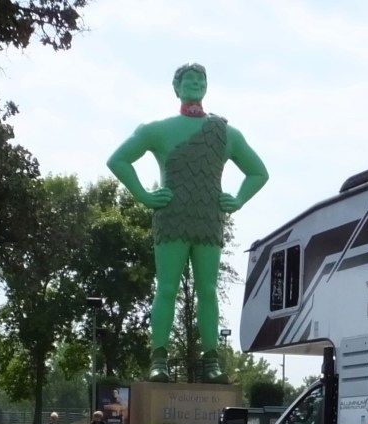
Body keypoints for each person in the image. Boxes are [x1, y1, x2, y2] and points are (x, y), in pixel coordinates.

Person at [107, 62, 269, 383]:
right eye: (188, 79)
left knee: (208, 290)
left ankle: (212, 362)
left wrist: (238, 199)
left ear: (206, 86)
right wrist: (144, 195)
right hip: (171, 217)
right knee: (166, 287)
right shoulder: (156, 130)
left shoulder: (226, 133)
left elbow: (258, 172)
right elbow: (118, 160)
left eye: (200, 79)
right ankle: (158, 360)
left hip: (209, 219)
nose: (195, 83)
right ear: (176, 87)